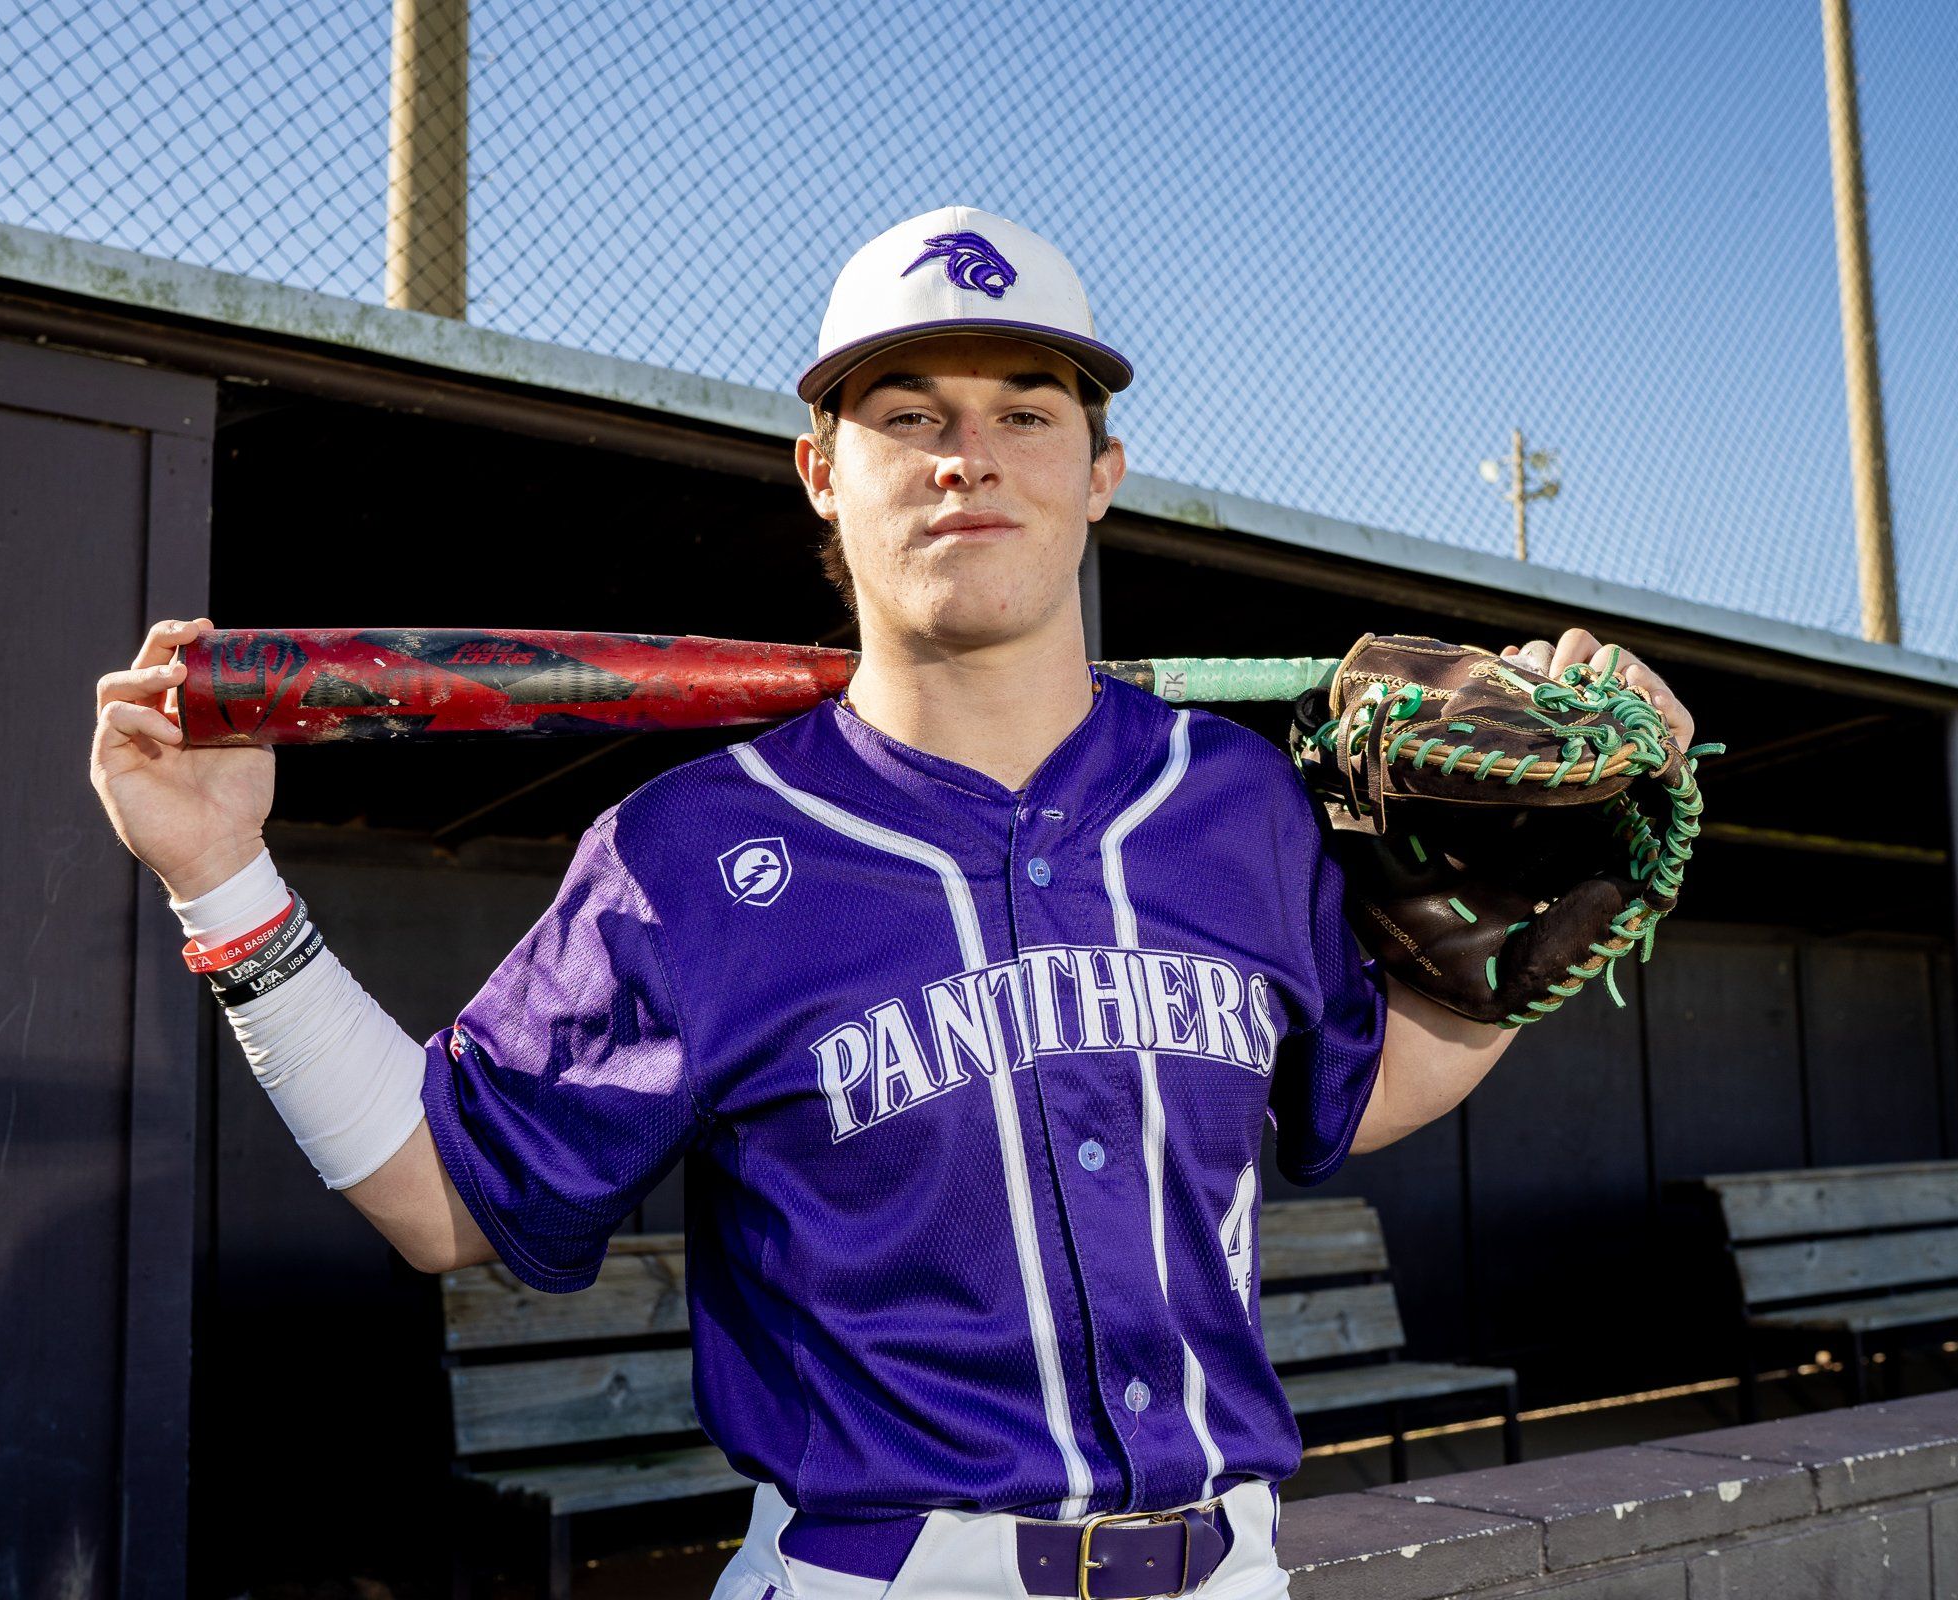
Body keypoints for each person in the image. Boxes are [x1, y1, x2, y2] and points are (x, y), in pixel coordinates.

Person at [89, 206, 1696, 1599]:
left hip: (1235, 1560)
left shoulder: (1241, 805)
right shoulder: (695, 850)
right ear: (822, 472)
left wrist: (1491, 975)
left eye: (1026, 410)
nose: (966, 455)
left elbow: (1351, 1089)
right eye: (906, 413)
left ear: (1102, 471)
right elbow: (448, 1199)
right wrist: (221, 878)